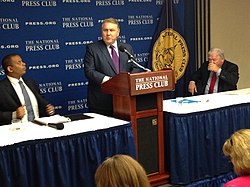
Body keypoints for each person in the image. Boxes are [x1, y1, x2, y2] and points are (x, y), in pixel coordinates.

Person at [84, 17, 140, 117]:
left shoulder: (126, 48)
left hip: (125, 101)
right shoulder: (92, 48)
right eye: (105, 30)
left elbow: (135, 67)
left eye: (112, 30)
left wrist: (126, 81)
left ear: (118, 32)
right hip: (101, 102)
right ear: (102, 32)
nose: (108, 33)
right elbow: (89, 71)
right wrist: (110, 81)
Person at [0, 53, 55, 125]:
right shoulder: (2, 88)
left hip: (38, 126)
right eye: (19, 62)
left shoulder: (30, 82)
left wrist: (48, 109)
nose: (24, 64)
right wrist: (14, 115)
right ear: (10, 69)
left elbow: (41, 102)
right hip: (16, 130)